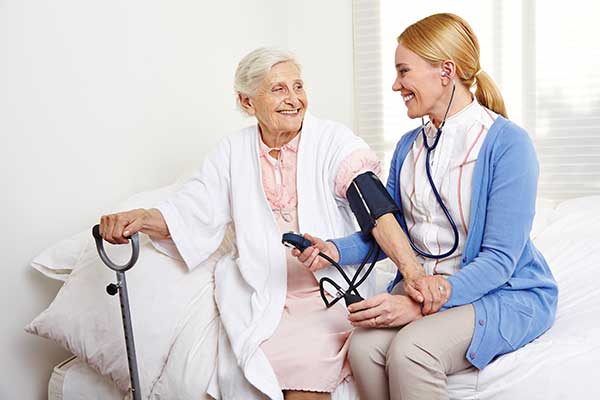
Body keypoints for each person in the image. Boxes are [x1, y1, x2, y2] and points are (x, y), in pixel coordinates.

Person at [293, 13, 558, 400]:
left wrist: (424, 299)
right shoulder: (407, 148)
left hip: (501, 291)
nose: (395, 84)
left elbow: (501, 259)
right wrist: (333, 249)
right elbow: (391, 234)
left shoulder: (507, 144)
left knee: (412, 351)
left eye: (404, 71)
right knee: (365, 348)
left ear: (446, 71)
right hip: (430, 290)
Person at [97, 47, 381, 400]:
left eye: (298, 86)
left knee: (305, 383)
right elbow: (190, 211)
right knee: (250, 374)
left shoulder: (332, 139)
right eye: (278, 89)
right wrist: (141, 218)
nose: (294, 99)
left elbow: (369, 197)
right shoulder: (231, 151)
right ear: (247, 102)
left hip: (326, 291)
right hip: (263, 294)